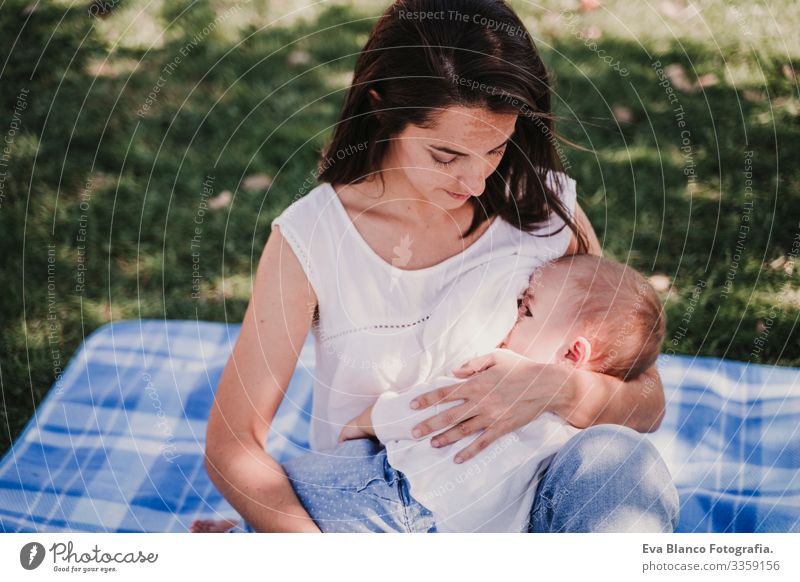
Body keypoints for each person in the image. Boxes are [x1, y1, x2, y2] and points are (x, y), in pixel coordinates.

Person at [192, 0, 678, 534]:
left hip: (531, 509)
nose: (475, 182)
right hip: (384, 511)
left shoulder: (542, 208)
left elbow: (646, 402)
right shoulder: (312, 237)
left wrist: (562, 389)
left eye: (495, 148)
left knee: (624, 466)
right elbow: (232, 445)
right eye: (446, 156)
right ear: (383, 109)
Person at [335, 253, 672, 532]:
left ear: (572, 354)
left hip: (396, 497)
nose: (513, 315)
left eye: (526, 310)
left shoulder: (504, 378)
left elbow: (427, 406)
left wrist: (362, 423)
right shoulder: (575, 431)